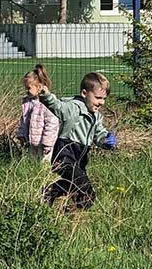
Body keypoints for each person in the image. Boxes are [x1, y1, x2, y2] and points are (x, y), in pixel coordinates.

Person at [39, 72, 117, 210]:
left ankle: (56, 199)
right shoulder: (73, 108)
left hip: (80, 157)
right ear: (84, 93)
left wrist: (106, 140)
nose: (102, 102)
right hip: (65, 153)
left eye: (104, 98)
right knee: (83, 185)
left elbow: (98, 134)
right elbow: (58, 107)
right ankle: (54, 198)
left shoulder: (96, 116)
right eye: (98, 98)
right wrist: (46, 96)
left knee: (81, 191)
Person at [17, 64, 59, 163]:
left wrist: (47, 143)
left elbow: (52, 124)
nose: (26, 90)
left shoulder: (48, 102)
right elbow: (23, 121)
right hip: (31, 143)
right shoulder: (27, 102)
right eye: (25, 88)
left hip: (44, 144)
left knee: (44, 165)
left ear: (39, 87)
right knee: (32, 163)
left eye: (28, 88)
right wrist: (21, 135)